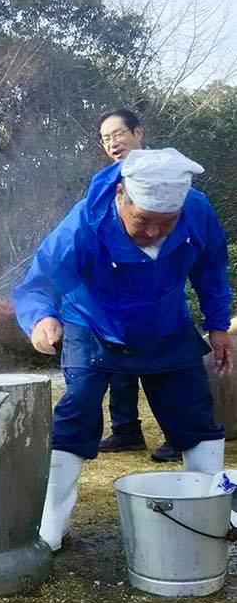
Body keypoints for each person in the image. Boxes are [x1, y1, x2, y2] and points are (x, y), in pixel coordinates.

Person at [13, 148, 233, 552]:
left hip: (166, 324)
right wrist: (40, 318)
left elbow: (211, 267)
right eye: (143, 221)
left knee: (194, 413)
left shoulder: (197, 211)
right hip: (92, 323)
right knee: (76, 409)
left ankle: (208, 514)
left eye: (165, 224)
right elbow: (38, 283)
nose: (153, 233)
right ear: (120, 195)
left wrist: (218, 324)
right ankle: (50, 529)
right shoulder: (83, 224)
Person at [95, 108, 180, 463]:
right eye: (106, 138)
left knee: (161, 364)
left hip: (156, 289)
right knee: (117, 364)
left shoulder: (164, 173)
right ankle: (126, 430)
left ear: (138, 133)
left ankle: (179, 434)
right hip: (116, 289)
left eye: (119, 134)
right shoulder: (104, 181)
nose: (113, 143)